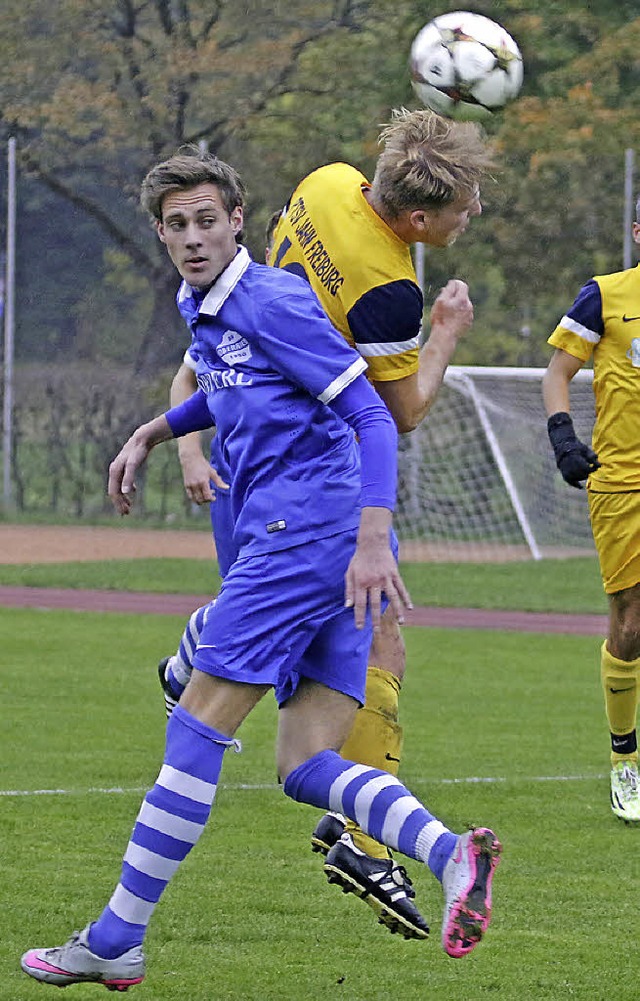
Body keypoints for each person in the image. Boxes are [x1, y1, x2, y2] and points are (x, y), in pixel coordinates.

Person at [20, 150, 501, 991]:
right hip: (314, 544)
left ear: (239, 218)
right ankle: (450, 854)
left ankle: (114, 937)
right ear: (162, 234)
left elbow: (371, 416)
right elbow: (237, 386)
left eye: (208, 219)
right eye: (177, 224)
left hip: (302, 535)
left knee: (196, 724)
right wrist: (156, 431)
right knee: (304, 762)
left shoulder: (267, 297)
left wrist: (373, 540)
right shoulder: (216, 309)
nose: (194, 236)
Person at [158, 108, 494, 939]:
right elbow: (402, 410)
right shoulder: (390, 289)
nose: (473, 212)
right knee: (351, 640)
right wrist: (444, 332)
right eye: (464, 203)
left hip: (245, 416)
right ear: (418, 222)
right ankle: (361, 837)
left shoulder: (329, 180)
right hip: (312, 477)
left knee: (360, 645)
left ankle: (198, 658)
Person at [542, 199, 640, 823]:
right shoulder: (604, 296)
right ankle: (624, 760)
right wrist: (562, 437)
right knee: (631, 622)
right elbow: (557, 373)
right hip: (624, 485)